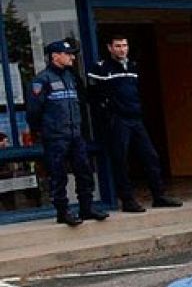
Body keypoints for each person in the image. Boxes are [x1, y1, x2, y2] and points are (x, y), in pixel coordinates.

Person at [87, 35, 182, 212]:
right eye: (118, 46)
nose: (122, 49)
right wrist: (108, 115)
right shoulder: (101, 68)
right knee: (121, 160)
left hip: (135, 118)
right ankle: (128, 200)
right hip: (117, 120)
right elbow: (93, 97)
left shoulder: (133, 66)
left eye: (124, 45)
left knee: (151, 156)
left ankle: (159, 196)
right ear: (109, 48)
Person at [26, 39, 107, 227]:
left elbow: (81, 104)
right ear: (55, 56)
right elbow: (34, 112)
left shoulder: (71, 78)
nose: (72, 57)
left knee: (84, 171)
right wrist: (43, 131)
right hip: (55, 136)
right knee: (58, 175)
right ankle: (63, 212)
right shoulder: (41, 80)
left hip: (75, 134)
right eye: (68, 54)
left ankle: (86, 208)